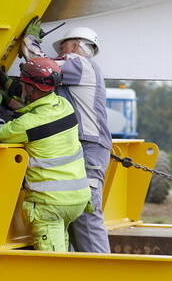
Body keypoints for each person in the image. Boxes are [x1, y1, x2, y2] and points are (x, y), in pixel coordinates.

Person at [0, 57, 91, 253]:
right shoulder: (64, 106)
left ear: (31, 88)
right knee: (63, 252)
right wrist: (8, 94)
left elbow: (1, 133)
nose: (20, 86)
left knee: (50, 265)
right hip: (77, 199)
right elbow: (32, 107)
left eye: (22, 83)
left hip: (50, 204)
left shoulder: (28, 123)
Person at [20, 23, 111, 252]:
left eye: (64, 46)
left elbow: (43, 67)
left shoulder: (80, 64)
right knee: (71, 209)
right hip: (79, 147)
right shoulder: (73, 73)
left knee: (87, 215)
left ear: (77, 46)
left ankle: (102, 274)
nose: (60, 51)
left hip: (88, 148)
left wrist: (31, 42)